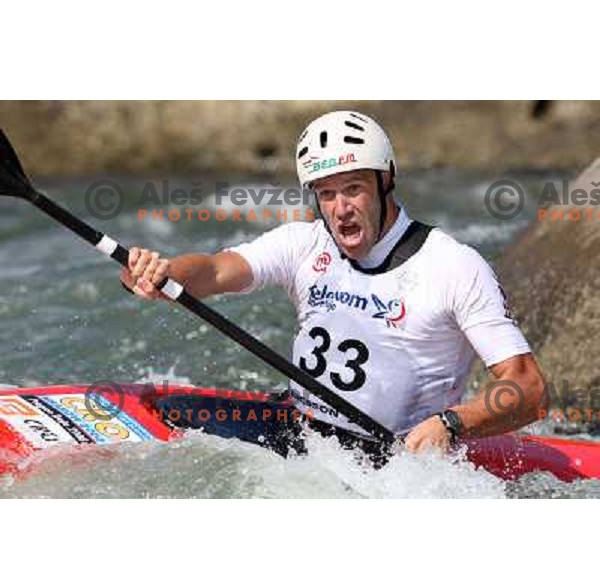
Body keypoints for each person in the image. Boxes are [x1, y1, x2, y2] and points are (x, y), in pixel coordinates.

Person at [120, 110, 547, 456]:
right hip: (297, 431)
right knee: (169, 412)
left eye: (353, 189)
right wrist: (161, 272)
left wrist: (452, 424)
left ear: (385, 181)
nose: (340, 209)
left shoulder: (453, 265)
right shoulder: (304, 243)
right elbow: (213, 271)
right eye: (325, 193)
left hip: (390, 458)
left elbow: (528, 388)